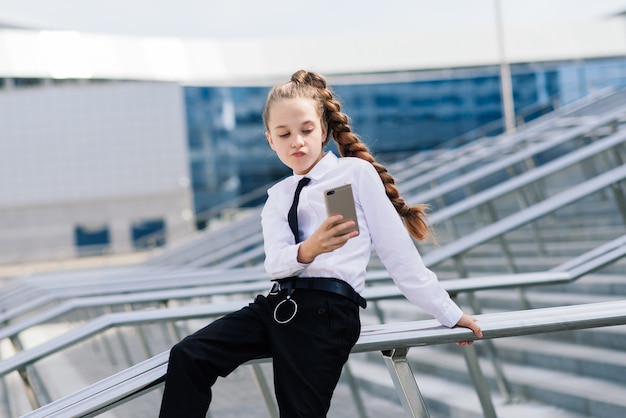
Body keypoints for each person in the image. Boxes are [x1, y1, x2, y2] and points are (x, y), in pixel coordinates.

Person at [158, 69, 482, 418]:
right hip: (277, 305)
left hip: (327, 312)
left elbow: (398, 256)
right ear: (270, 140)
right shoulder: (277, 196)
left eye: (306, 130)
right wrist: (310, 249)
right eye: (284, 134)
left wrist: (449, 314)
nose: (296, 141)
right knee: (189, 355)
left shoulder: (354, 173)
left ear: (324, 131)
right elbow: (275, 263)